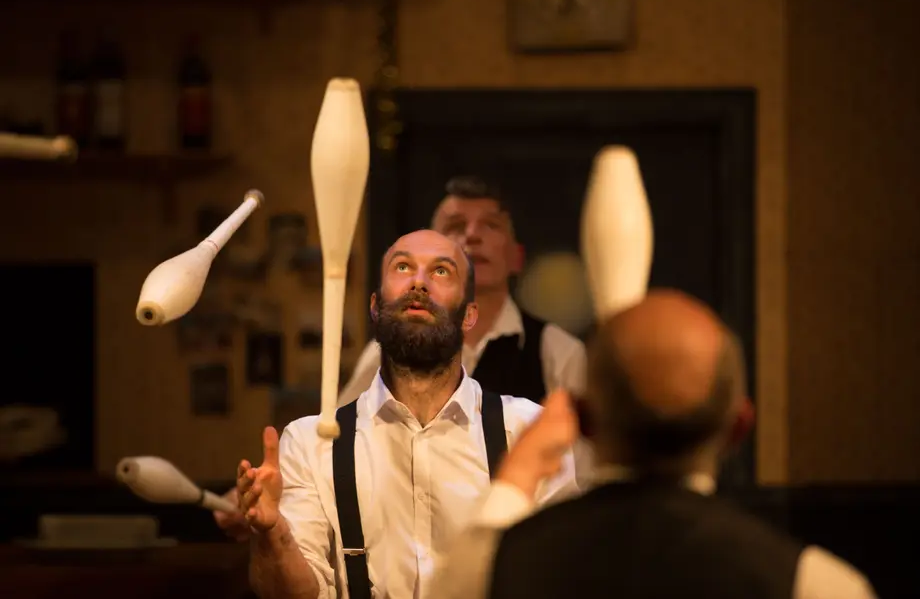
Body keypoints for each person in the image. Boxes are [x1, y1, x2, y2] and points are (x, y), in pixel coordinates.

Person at [433, 290, 877, 599]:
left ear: (583, 419)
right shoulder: (814, 584)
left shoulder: (494, 570)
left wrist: (516, 477)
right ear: (739, 428)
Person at [237, 229, 580, 599]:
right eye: (403, 267)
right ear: (374, 306)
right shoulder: (310, 444)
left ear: (469, 316)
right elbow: (295, 595)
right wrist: (272, 534)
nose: (419, 282)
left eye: (441, 271)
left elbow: (562, 576)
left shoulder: (528, 431)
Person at [339, 175, 586, 406]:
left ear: (516, 257)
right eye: (456, 226)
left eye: (491, 225)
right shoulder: (389, 351)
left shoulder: (559, 354)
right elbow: (341, 430)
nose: (472, 235)